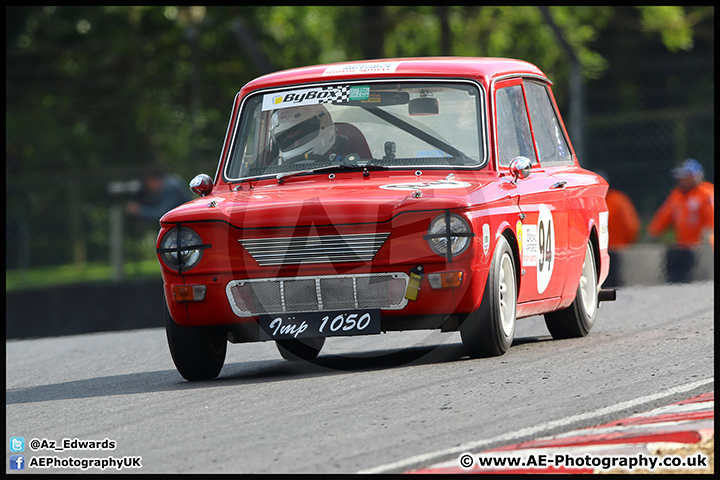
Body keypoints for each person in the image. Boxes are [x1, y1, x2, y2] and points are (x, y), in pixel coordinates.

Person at [647, 158, 714, 283]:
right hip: (684, 246)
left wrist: (709, 233)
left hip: (705, 247)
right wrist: (653, 233)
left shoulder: (706, 193)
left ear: (695, 176)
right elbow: (664, 215)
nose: (681, 179)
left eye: (685, 176)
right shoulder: (676, 195)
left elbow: (712, 215)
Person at [596, 170, 641, 287]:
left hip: (617, 248)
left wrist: (627, 243)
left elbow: (630, 225)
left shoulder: (617, 200)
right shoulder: (611, 200)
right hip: (604, 249)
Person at [125, 166, 191, 225]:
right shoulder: (166, 186)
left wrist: (139, 210)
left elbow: (163, 214)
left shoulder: (170, 187)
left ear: (153, 180)